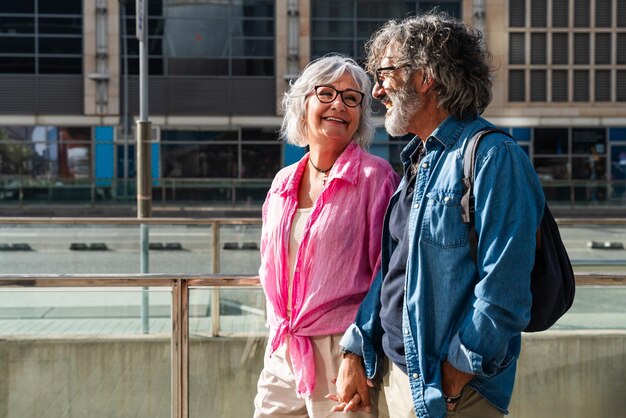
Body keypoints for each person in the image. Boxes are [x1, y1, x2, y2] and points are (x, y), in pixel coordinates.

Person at [328, 12, 545, 418]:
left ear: (425, 77)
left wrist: (451, 378)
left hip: (445, 391)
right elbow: (394, 271)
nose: (377, 91)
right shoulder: (418, 159)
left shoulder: (495, 158)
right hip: (392, 375)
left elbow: (505, 291)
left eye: (386, 73)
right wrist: (357, 348)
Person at [253, 55, 399, 417]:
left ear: (360, 115)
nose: (339, 104)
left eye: (352, 98)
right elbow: (270, 267)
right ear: (304, 103)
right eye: (327, 93)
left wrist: (356, 353)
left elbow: (387, 275)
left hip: (343, 352)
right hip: (284, 351)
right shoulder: (283, 181)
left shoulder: (375, 178)